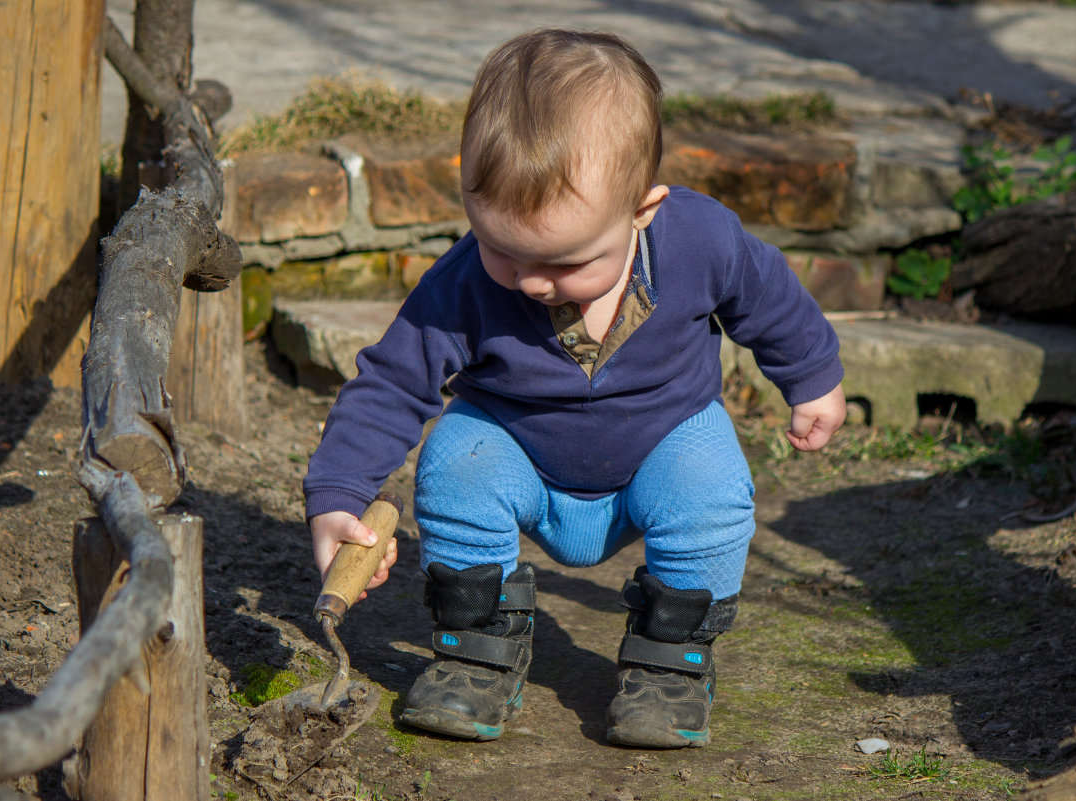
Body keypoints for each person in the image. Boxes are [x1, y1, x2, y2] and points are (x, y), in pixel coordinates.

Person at [303, 28, 846, 749]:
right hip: (519, 450)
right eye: (501, 248)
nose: (530, 281)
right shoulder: (464, 281)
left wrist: (811, 378)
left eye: (562, 261)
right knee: (454, 463)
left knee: (711, 483)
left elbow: (768, 297)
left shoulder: (697, 239)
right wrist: (339, 492)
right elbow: (392, 380)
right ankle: (475, 646)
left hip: (660, 443)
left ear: (642, 210)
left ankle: (670, 661)